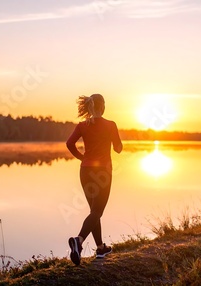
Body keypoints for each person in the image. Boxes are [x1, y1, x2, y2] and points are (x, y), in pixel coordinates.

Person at [66, 94, 123, 265]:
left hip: (85, 171)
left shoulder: (83, 125)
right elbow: (118, 149)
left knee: (93, 211)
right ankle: (79, 240)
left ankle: (100, 248)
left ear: (90, 107)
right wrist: (117, 144)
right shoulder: (111, 125)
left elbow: (69, 144)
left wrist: (82, 158)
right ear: (103, 106)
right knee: (97, 212)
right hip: (103, 172)